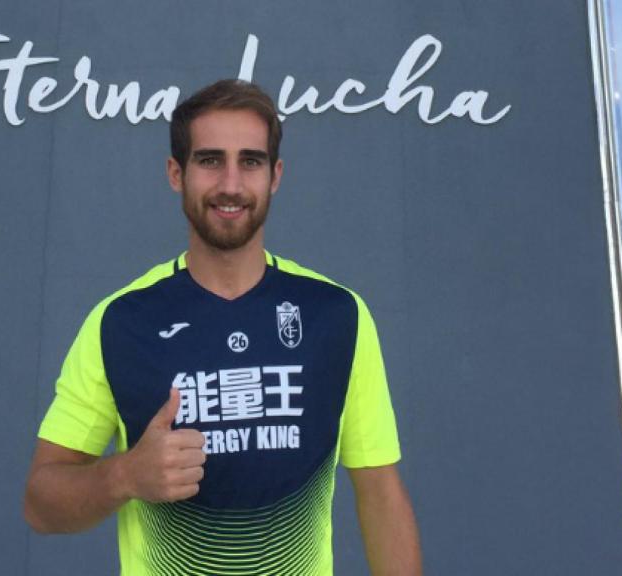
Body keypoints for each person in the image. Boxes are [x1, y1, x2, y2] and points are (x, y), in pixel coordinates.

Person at [24, 79, 422, 576]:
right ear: (176, 173)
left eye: (250, 161)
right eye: (210, 160)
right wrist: (123, 475)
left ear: (275, 176)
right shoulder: (121, 322)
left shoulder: (336, 314)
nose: (231, 184)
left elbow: (380, 491)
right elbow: (40, 503)